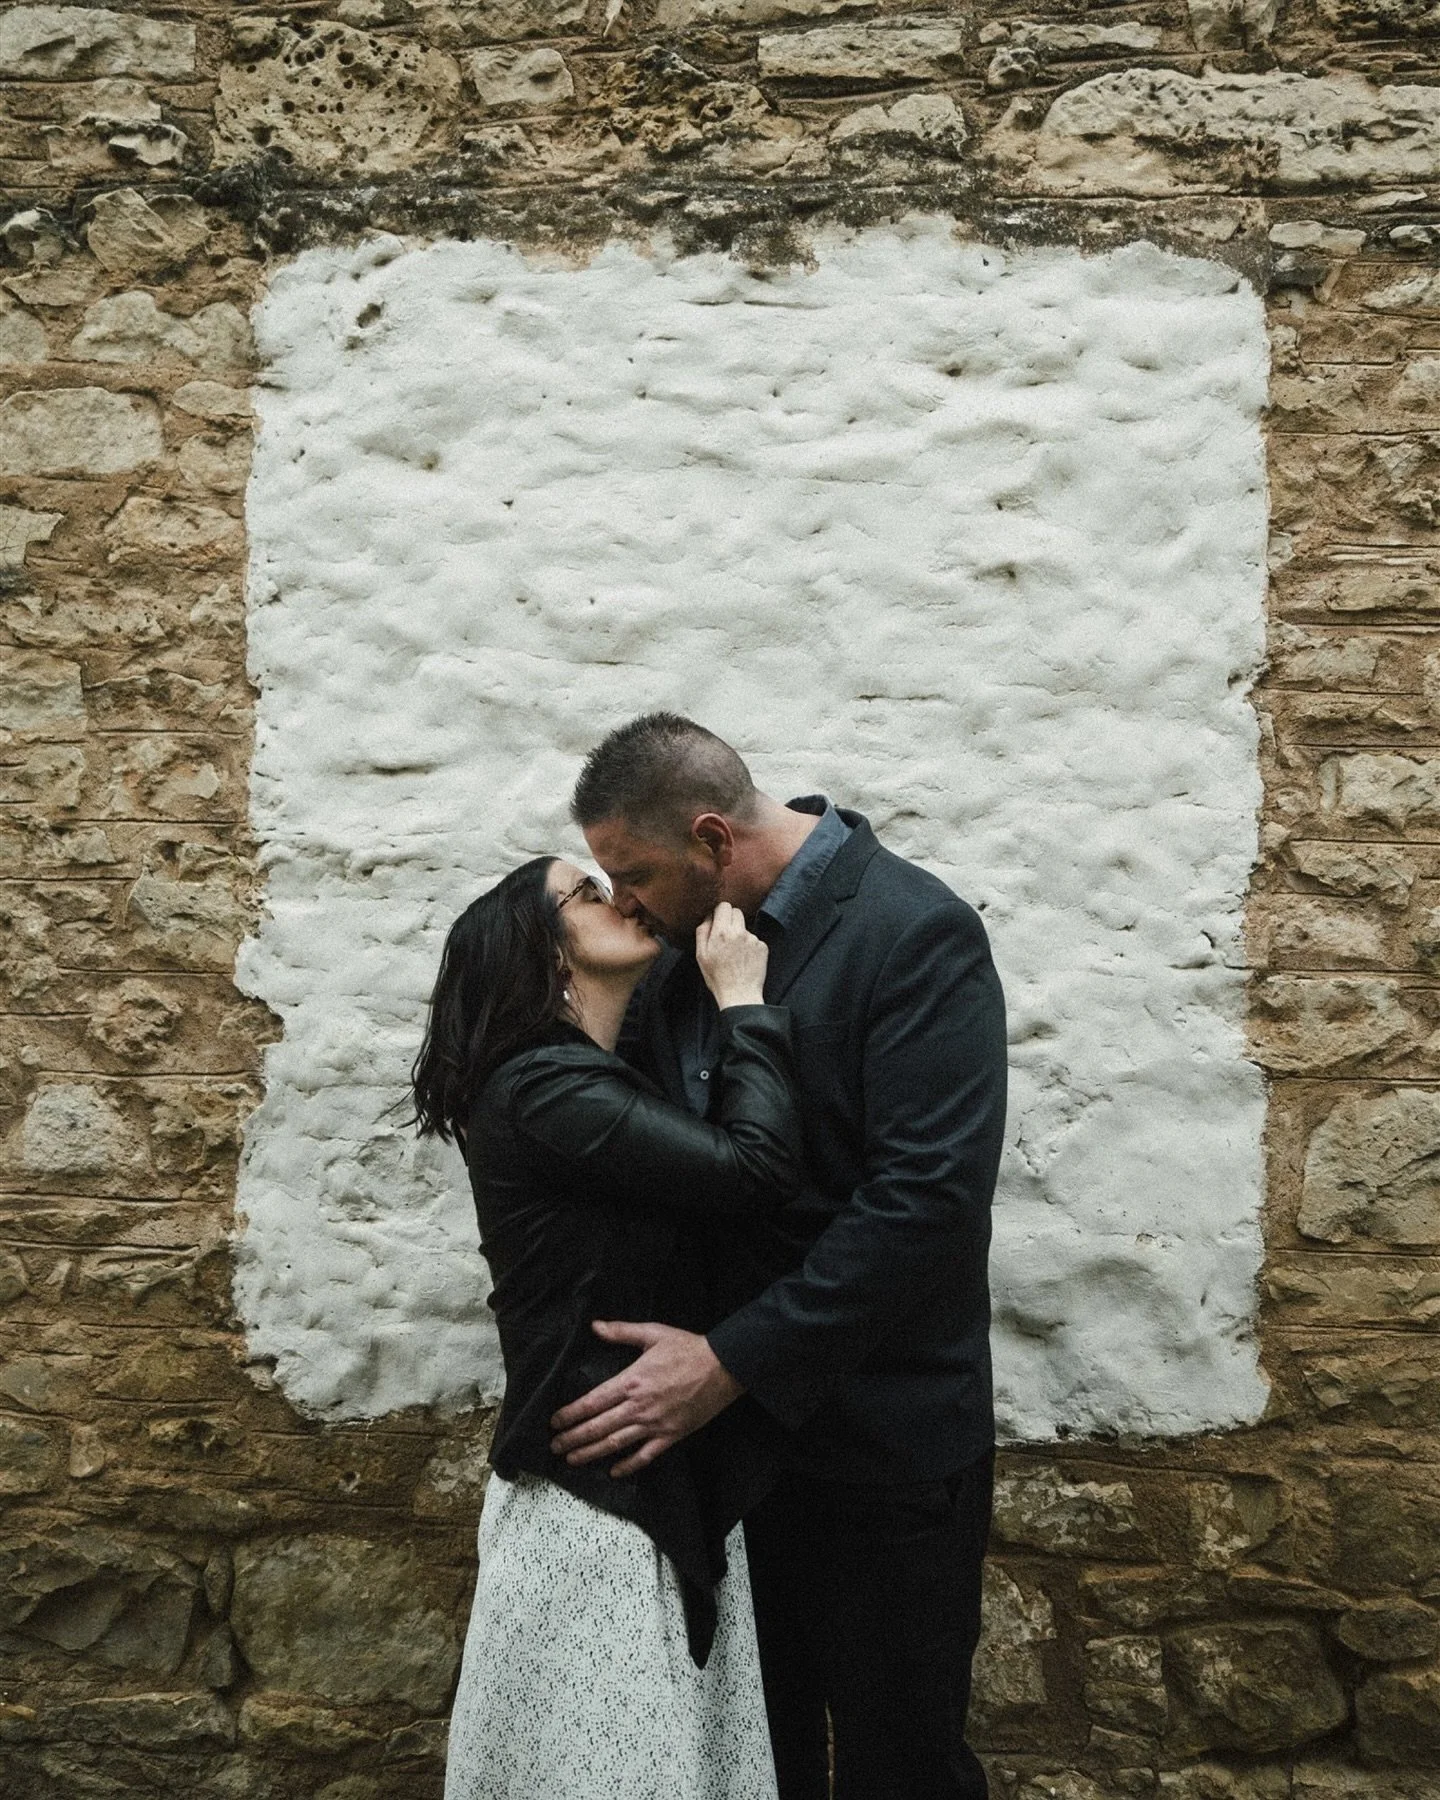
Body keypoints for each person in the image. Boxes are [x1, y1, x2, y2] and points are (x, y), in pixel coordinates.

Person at [549, 713, 1008, 1800]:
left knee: (903, 1768)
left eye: (635, 874)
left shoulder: (913, 931)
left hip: (883, 1447)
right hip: (722, 1460)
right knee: (754, 1769)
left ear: (712, 838)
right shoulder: (672, 951)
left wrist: (729, 1362)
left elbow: (925, 1206)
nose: (626, 903)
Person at [411, 853, 806, 1800]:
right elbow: (753, 1170)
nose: (617, 897)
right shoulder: (544, 1089)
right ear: (545, 953)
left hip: (641, 1471)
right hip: (597, 1503)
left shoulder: (585, 1078)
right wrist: (744, 1004)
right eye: (585, 892)